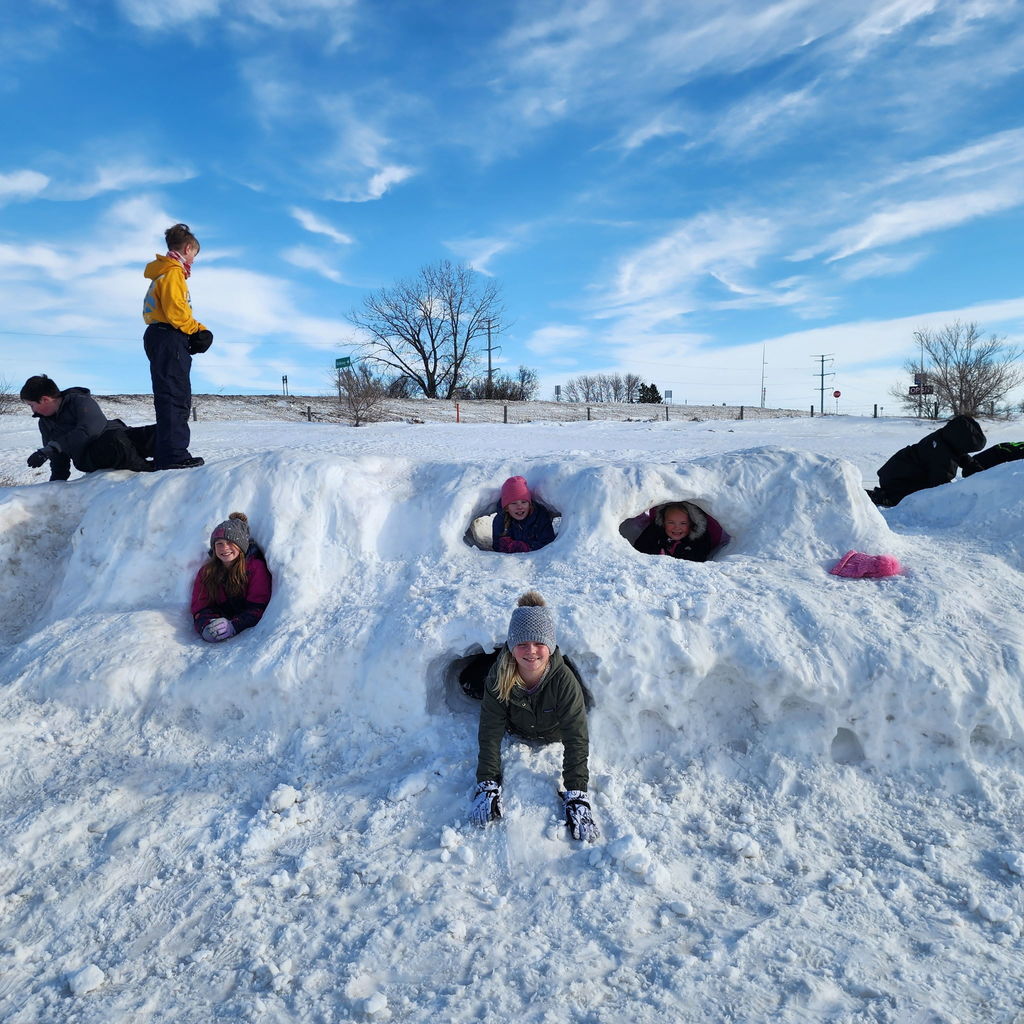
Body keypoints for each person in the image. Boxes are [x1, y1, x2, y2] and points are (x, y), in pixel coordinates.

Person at [471, 591, 598, 842]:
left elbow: (576, 737)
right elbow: (490, 729)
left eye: (539, 643)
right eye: (522, 644)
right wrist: (487, 782)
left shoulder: (564, 682)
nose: (531, 651)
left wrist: (576, 792)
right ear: (511, 647)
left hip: (553, 731)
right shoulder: (499, 676)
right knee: (476, 681)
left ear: (550, 647)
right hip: (516, 727)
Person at [143, 222, 213, 470]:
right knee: (175, 395)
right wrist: (197, 331)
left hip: (163, 336)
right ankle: (173, 455)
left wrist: (196, 330)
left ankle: (166, 451)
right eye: (194, 254)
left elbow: (176, 311)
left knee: (170, 394)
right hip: (168, 336)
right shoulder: (172, 272)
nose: (194, 260)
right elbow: (176, 311)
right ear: (187, 248)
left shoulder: (165, 272)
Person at [20, 374, 156, 481]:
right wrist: (55, 482)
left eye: (31, 405)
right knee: (115, 440)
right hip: (89, 456)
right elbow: (58, 460)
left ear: (45, 399)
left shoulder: (79, 400)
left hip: (117, 437)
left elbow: (91, 429)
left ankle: (174, 460)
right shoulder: (45, 423)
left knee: (155, 432)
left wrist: (52, 448)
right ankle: (151, 471)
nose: (33, 411)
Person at [867, 415, 986, 507]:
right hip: (898, 478)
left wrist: (983, 474)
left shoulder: (945, 438)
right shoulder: (942, 455)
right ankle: (880, 497)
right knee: (911, 499)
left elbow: (965, 459)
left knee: (921, 485)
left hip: (896, 469)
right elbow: (940, 486)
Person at [191, 512, 272, 643]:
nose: (224, 548)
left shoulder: (255, 568)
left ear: (241, 546)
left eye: (230, 542)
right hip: (221, 616)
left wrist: (234, 625)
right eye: (219, 543)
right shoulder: (207, 572)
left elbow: (258, 607)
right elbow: (201, 606)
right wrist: (206, 625)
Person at [633, 500, 719, 562]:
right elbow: (640, 547)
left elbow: (699, 557)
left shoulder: (698, 539)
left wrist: (681, 552)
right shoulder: (656, 531)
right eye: (671, 522)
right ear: (663, 522)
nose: (677, 528)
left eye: (683, 523)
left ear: (691, 524)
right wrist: (657, 550)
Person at [491, 476, 556, 553]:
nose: (519, 507)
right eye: (513, 503)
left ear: (529, 504)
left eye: (524, 502)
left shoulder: (540, 517)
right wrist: (505, 546)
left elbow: (548, 542)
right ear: (507, 508)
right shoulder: (500, 520)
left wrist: (528, 546)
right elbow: (496, 544)